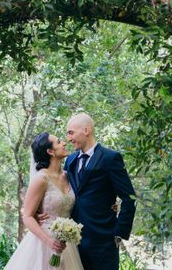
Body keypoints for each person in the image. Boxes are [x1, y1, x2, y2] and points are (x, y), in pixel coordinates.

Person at [65, 113, 136, 270]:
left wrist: (119, 232)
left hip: (104, 241)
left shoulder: (110, 158)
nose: (68, 138)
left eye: (71, 132)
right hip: (74, 243)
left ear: (86, 130)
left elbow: (129, 198)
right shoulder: (70, 161)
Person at [4, 132, 84, 270]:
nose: (64, 143)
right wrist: (49, 241)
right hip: (44, 242)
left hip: (68, 243)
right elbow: (27, 216)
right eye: (59, 142)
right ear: (50, 151)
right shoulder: (41, 179)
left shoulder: (68, 176)